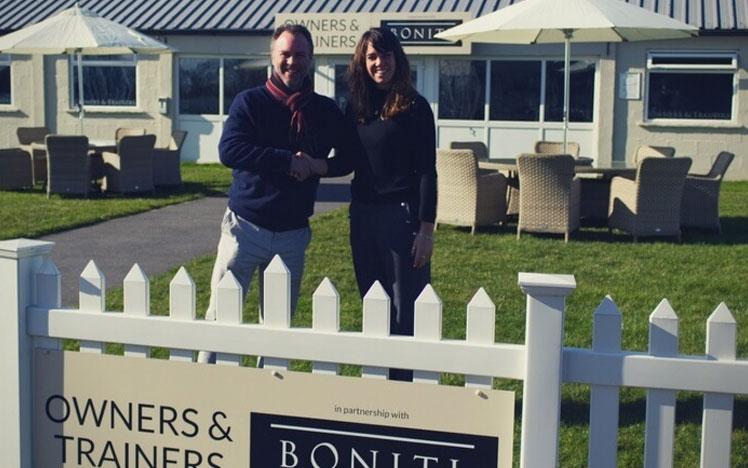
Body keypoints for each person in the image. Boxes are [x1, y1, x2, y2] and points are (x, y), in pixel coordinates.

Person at [198, 24, 358, 363]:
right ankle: (207, 388)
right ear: (273, 57)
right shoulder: (250, 102)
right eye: (285, 54)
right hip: (245, 228)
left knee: (276, 330)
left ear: (310, 58)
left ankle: (264, 399)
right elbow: (230, 150)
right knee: (219, 322)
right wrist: (286, 161)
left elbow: (349, 158)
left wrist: (317, 166)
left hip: (292, 235)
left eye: (299, 55)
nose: (292, 62)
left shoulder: (326, 111)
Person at [346, 28, 437, 381]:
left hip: (402, 219)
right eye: (371, 57)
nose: (379, 63)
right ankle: (377, 382)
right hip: (363, 217)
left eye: (385, 55)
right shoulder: (356, 107)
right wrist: (312, 163)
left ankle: (403, 387)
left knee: (404, 308)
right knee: (372, 300)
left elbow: (428, 171)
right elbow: (345, 162)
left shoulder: (415, 107)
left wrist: (426, 229)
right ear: (362, 62)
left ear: (397, 59)